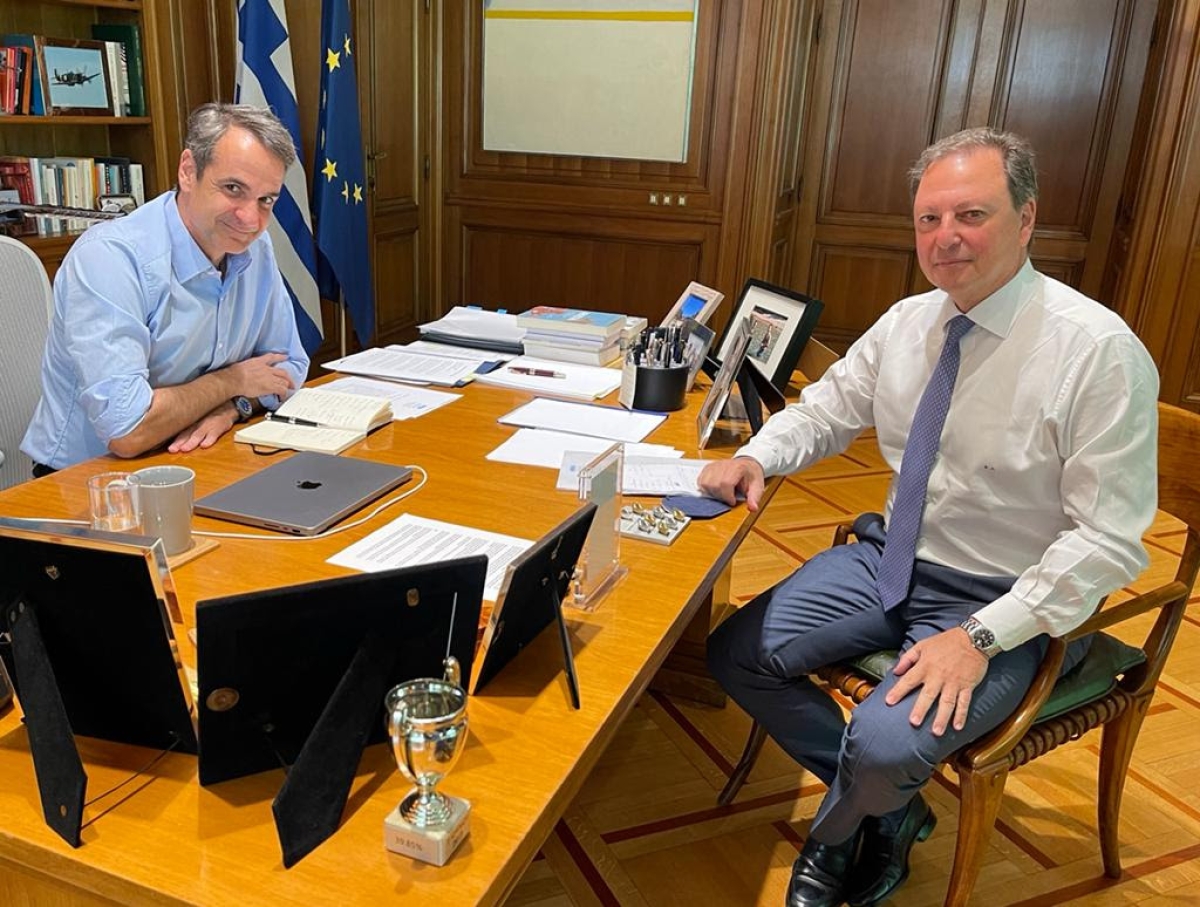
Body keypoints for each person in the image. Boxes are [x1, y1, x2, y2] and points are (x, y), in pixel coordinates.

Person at [699, 128, 1158, 907]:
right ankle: (891, 810)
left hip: (1008, 596)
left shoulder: (1096, 353)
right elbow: (827, 409)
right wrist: (759, 456)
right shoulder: (909, 322)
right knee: (734, 652)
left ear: (1026, 219)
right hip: (892, 559)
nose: (946, 237)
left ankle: (839, 831)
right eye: (928, 219)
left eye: (971, 214)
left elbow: (1107, 541)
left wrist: (980, 635)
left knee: (884, 744)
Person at [21, 102, 311, 474]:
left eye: (265, 200)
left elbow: (288, 366)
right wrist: (233, 381)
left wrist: (232, 407)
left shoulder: (254, 246)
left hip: (199, 457)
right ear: (188, 171)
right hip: (88, 479)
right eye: (233, 188)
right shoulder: (110, 259)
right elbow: (127, 429)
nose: (251, 219)